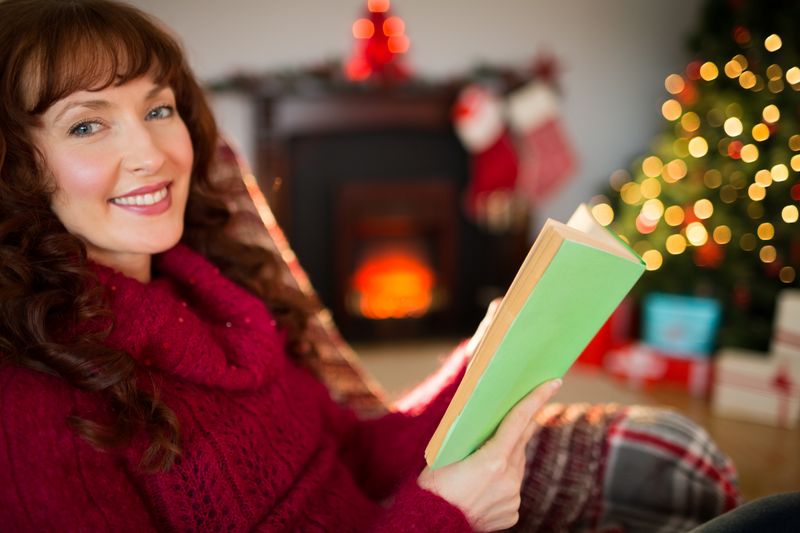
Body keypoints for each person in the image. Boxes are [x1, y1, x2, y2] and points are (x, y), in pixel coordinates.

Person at [0, 1, 740, 532]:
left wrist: (487, 350)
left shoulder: (220, 297)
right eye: (88, 123)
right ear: (15, 165)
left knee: (695, 464)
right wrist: (444, 514)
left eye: (158, 109)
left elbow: (354, 451)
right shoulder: (36, 406)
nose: (152, 153)